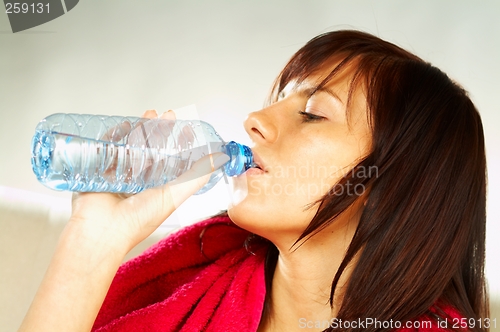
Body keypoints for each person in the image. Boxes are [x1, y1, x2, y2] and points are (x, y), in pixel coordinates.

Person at [19, 30, 488, 332]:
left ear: (393, 186)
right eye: (278, 100)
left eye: (313, 114)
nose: (255, 120)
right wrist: (92, 242)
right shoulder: (201, 288)